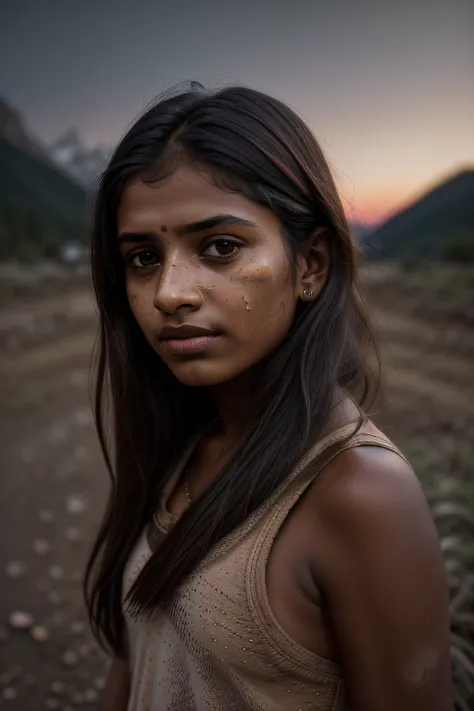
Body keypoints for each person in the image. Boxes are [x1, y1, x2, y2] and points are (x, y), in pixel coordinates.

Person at [85, 83, 453, 711]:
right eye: (143, 258)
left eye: (220, 247)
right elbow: (137, 662)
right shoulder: (184, 444)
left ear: (309, 265)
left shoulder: (362, 494)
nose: (170, 292)